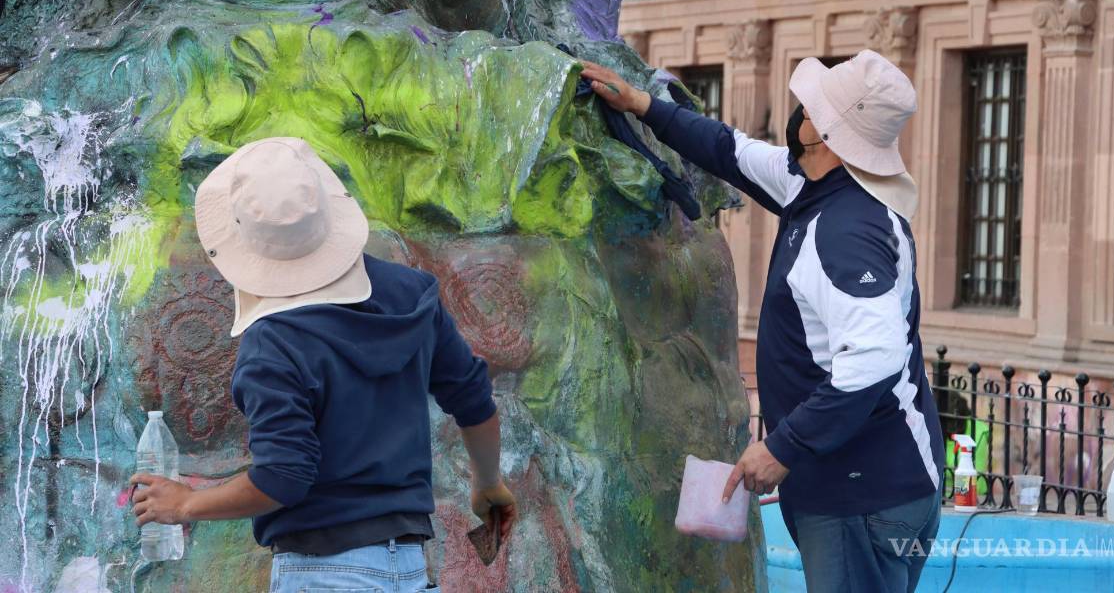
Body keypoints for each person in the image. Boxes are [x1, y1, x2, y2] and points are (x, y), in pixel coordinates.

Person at [582, 51, 944, 592]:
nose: (798, 112)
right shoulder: (819, 186)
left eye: (809, 107)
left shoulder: (845, 233)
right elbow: (732, 152)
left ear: (820, 133)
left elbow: (874, 360)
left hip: (863, 496)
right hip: (871, 485)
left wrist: (782, 447)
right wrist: (643, 106)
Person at [129, 137, 516, 592]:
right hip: (408, 569)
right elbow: (473, 399)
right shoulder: (412, 295)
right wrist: (487, 482)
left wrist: (186, 504)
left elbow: (283, 476)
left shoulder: (272, 343)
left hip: (322, 572)